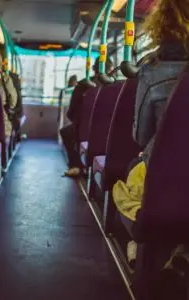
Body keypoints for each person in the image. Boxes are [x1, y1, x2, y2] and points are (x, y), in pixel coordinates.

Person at [112, 0, 189, 273]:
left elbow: (140, 135)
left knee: (136, 171)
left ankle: (141, 252)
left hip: (169, 182)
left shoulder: (154, 69)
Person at [60, 57, 113, 177]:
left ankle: (76, 165)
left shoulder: (83, 85)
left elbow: (71, 113)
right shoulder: (116, 86)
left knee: (67, 132)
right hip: (110, 132)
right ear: (111, 70)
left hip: (84, 132)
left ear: (94, 69)